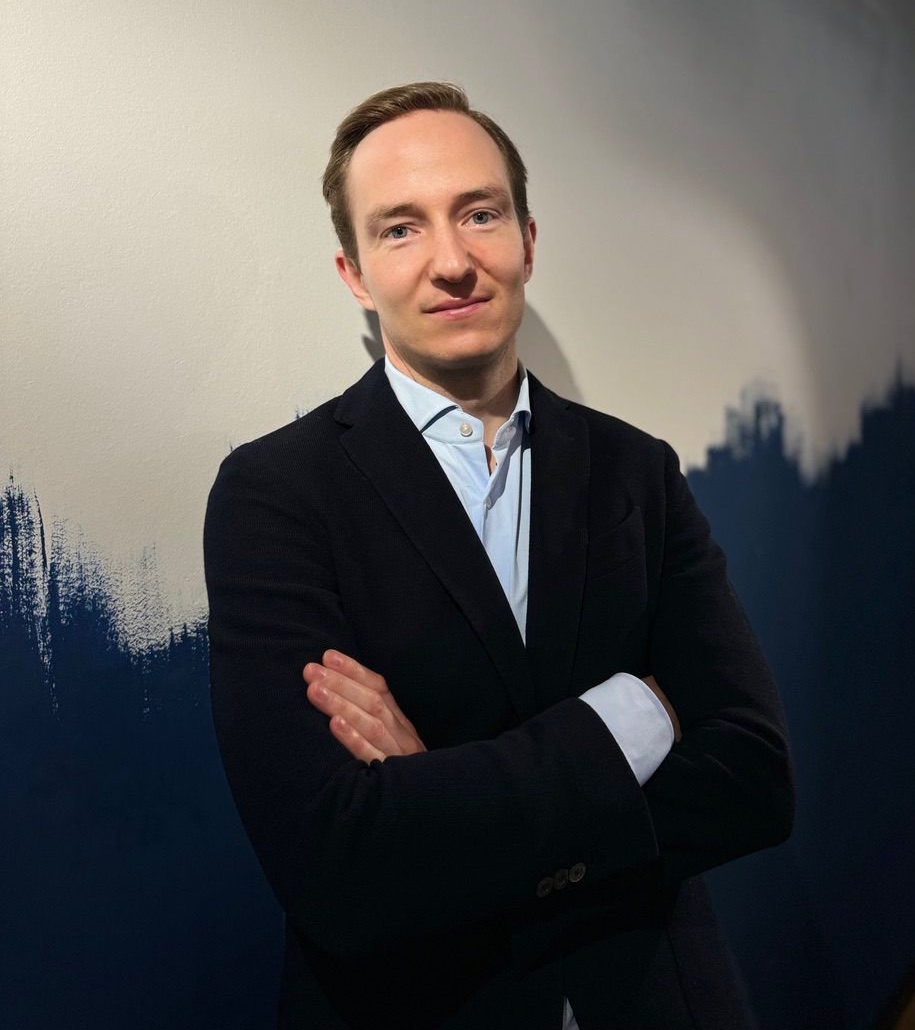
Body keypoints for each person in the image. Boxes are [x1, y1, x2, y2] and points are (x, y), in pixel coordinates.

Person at [204, 82, 795, 1030]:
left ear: (527, 239)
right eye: (401, 229)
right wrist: (626, 721)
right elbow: (338, 866)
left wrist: (438, 795)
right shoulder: (275, 494)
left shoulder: (636, 471)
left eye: (480, 214)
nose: (452, 262)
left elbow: (754, 781)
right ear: (355, 274)